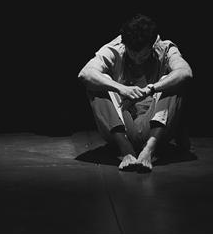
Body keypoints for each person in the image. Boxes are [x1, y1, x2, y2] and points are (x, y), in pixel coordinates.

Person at [78, 14, 193, 172]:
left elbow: (185, 72)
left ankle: (148, 151)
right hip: (121, 129)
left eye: (143, 55)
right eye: (133, 54)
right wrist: (121, 88)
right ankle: (127, 151)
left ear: (152, 45)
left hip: (155, 129)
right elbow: (85, 73)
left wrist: (152, 88)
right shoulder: (115, 48)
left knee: (172, 80)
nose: (138, 60)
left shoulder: (165, 48)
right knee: (98, 81)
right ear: (125, 44)